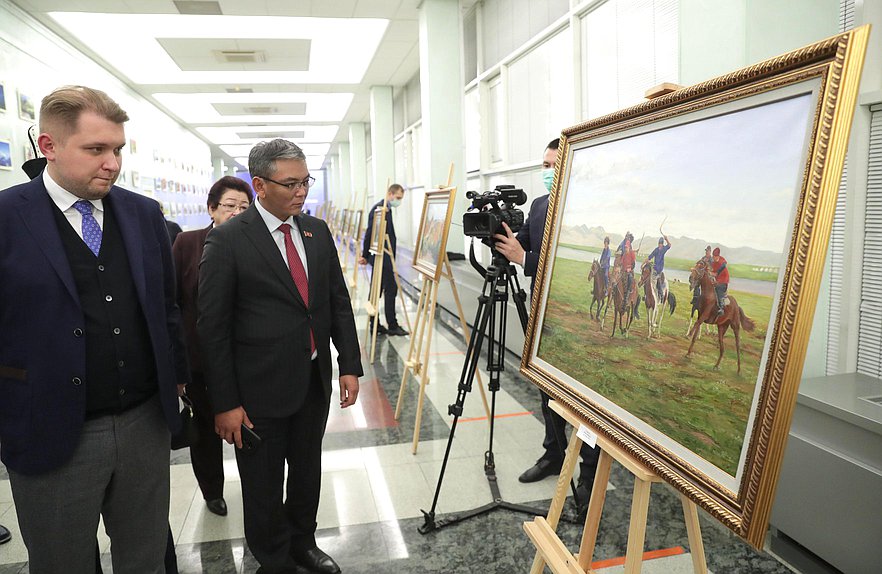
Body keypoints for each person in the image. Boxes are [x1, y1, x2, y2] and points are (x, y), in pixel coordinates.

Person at [0, 85, 188, 573]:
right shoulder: (6, 218)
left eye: (118, 149)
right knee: (62, 561)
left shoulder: (143, 215)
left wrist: (179, 385)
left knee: (145, 556)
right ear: (49, 147)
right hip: (51, 429)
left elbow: (166, 309)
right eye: (96, 149)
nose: (112, 163)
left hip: (143, 424)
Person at [198, 139, 362, 574]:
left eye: (305, 181)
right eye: (290, 183)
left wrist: (349, 364)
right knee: (264, 484)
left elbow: (335, 302)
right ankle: (273, 559)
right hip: (256, 393)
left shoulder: (315, 231)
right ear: (259, 185)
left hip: (311, 381)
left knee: (307, 473)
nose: (301, 192)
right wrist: (226, 403)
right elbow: (212, 330)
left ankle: (303, 543)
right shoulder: (230, 240)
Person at [492, 138, 599, 509]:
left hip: (575, 317)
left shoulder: (585, 208)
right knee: (546, 390)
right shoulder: (538, 206)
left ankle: (588, 474)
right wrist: (499, 235)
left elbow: (570, 264)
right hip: (541, 314)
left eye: (554, 165)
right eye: (544, 164)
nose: (547, 172)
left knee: (584, 401)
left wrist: (526, 258)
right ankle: (553, 453)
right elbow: (519, 245)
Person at [172, 176, 253, 517]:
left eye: (244, 208)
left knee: (248, 429)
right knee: (204, 432)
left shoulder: (255, 245)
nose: (236, 213)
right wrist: (177, 365)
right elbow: (172, 303)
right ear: (212, 209)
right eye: (229, 206)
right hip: (199, 360)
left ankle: (257, 491)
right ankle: (212, 492)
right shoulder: (187, 243)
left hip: (247, 359)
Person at [358, 184, 409, 336]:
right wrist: (365, 255)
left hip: (383, 256)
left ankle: (374, 323)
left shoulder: (385, 209)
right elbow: (370, 233)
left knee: (376, 290)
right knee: (388, 289)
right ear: (390, 194)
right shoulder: (380, 210)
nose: (398, 201)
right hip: (382, 258)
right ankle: (392, 325)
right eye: (398, 198)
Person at [711, 247, 730, 316]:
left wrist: (715, 275)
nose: (714, 258)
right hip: (717, 280)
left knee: (718, 290)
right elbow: (713, 272)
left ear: (718, 256)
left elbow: (718, 272)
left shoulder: (722, 262)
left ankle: (721, 308)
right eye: (713, 256)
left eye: (715, 256)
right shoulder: (713, 263)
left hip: (723, 281)